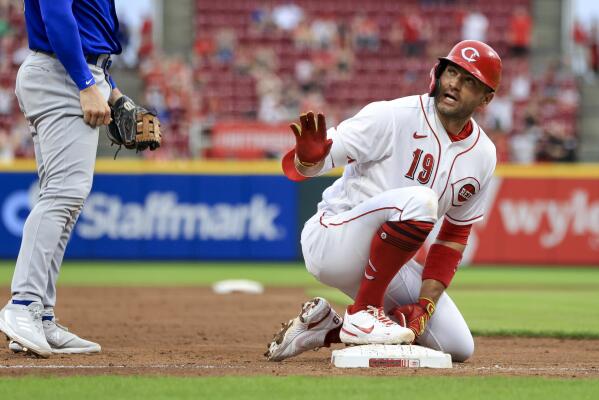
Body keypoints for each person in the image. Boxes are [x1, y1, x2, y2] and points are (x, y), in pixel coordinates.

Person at [265, 40, 501, 362]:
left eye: (469, 80)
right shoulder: (393, 115)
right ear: (438, 73)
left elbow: (454, 236)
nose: (454, 84)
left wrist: (424, 305)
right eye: (452, 72)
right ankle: (364, 311)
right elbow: (306, 164)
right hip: (334, 239)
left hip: (385, 263)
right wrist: (308, 159)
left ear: (486, 98)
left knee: (457, 344)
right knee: (422, 200)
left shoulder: (484, 155)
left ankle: (326, 327)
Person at [0, 0, 132, 357]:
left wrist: (113, 93)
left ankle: (40, 314)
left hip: (76, 71)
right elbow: (56, 14)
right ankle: (22, 303)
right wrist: (86, 83)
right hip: (62, 73)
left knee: (66, 200)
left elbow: (86, 27)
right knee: (63, 195)